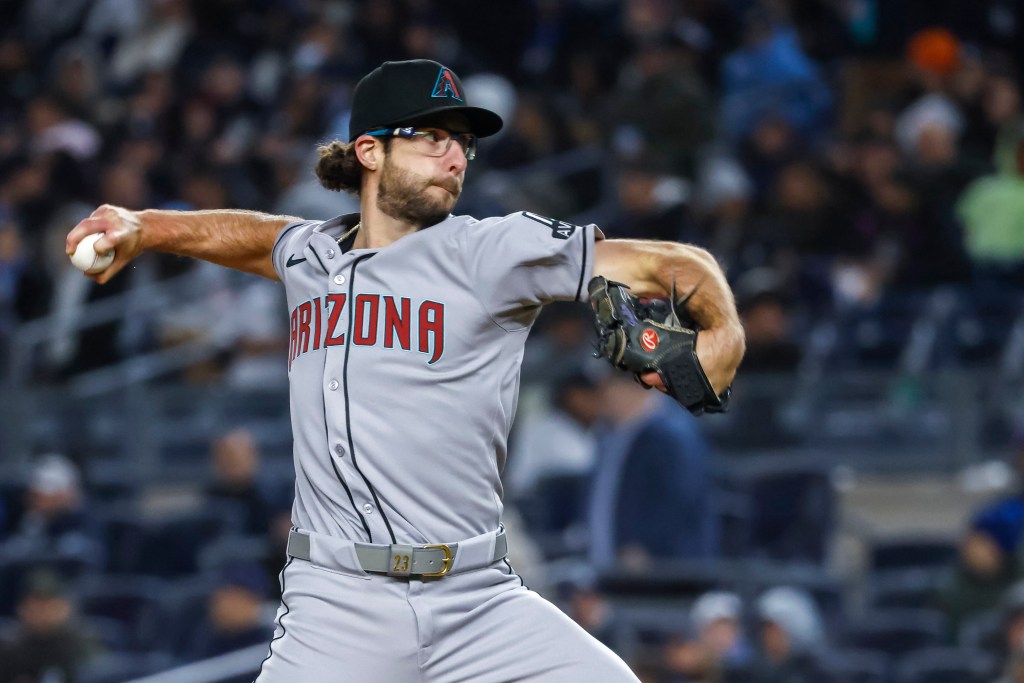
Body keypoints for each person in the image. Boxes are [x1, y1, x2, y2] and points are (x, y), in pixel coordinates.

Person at [66, 58, 744, 682]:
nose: (455, 154)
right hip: (335, 606)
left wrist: (724, 336)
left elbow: (673, 263)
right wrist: (148, 226)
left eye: (463, 142)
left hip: (476, 598)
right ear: (370, 150)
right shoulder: (313, 254)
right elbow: (256, 237)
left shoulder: (491, 250)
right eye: (432, 136)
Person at [588, 369, 721, 571]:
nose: (602, 398)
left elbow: (681, 498)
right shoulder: (614, 435)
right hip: (617, 567)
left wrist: (648, 546)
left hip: (663, 568)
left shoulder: (671, 433)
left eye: (607, 388)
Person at [0, 569, 99, 683]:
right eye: (38, 606)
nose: (45, 614)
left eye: (52, 606)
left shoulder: (83, 640)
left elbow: (98, 675)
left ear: (67, 607)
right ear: (22, 608)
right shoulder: (7, 646)